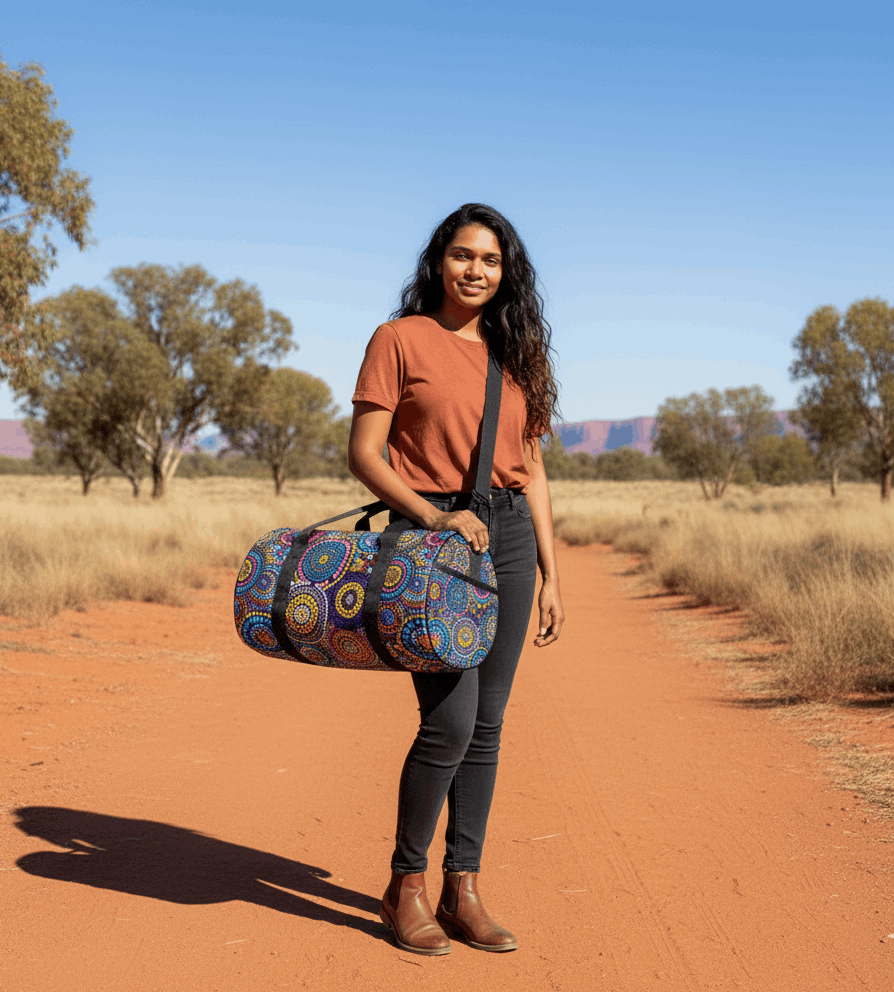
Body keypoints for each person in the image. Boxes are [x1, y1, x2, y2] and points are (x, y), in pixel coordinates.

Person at [348, 203, 564, 955]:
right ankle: (404, 886)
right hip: (429, 540)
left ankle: (462, 886)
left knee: (489, 725)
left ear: (507, 275)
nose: (477, 270)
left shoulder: (514, 353)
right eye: (464, 255)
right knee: (449, 721)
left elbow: (531, 469)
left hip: (504, 538)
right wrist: (435, 519)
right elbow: (366, 455)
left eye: (492, 261)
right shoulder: (399, 340)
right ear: (440, 260)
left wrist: (549, 571)